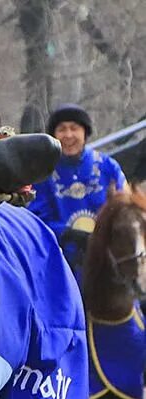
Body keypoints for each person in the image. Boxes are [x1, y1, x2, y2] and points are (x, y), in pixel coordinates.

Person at [29, 104, 127, 279]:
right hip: (61, 263)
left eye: (74, 128)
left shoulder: (107, 166)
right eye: (62, 129)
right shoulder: (43, 173)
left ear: (85, 133)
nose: (68, 135)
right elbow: (34, 220)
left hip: (109, 263)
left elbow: (125, 211)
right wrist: (67, 234)